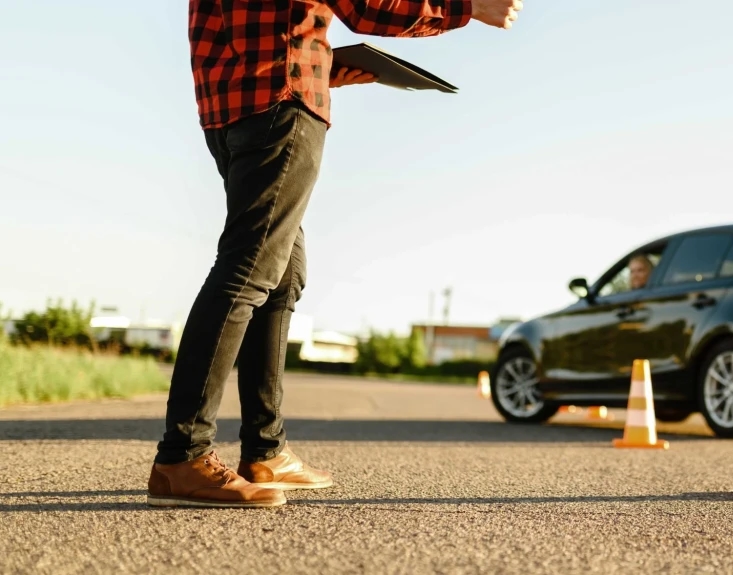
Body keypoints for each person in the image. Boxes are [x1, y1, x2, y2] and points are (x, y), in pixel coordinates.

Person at [148, 0, 525, 509]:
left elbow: (249, 29)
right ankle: (182, 456)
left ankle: (265, 450)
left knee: (282, 275)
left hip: (232, 105)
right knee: (249, 270)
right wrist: (467, 7)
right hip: (280, 104)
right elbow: (368, 6)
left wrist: (318, 64)